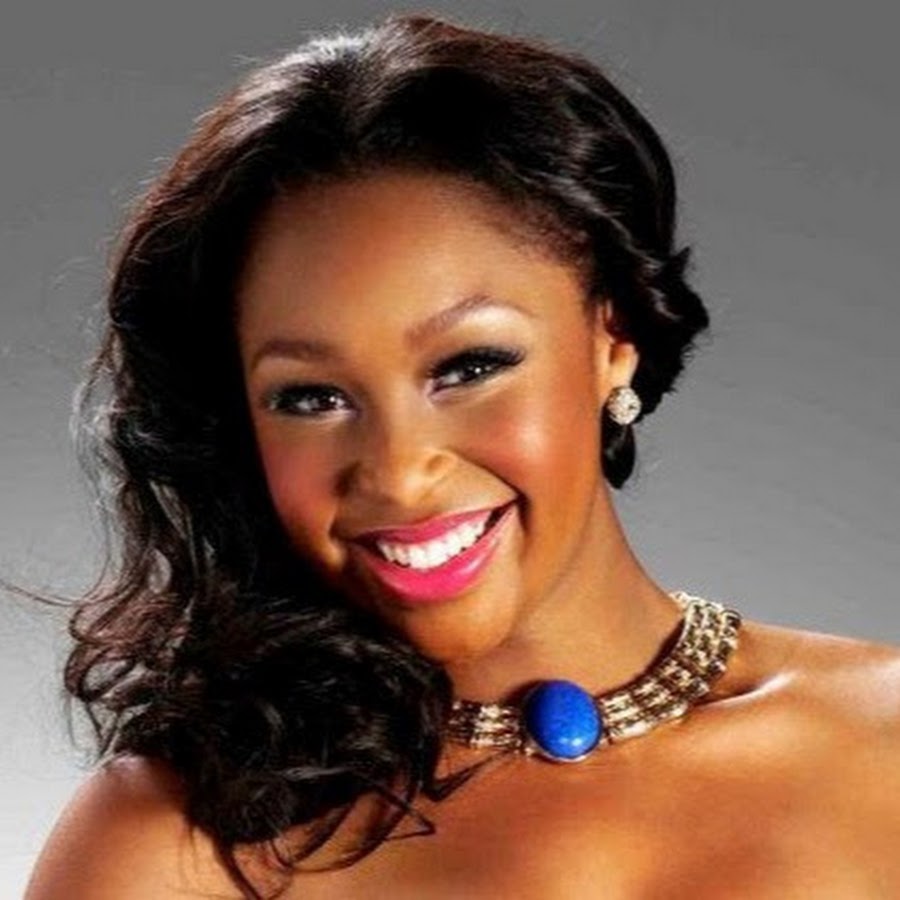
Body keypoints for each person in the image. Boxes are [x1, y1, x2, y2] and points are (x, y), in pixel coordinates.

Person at [26, 12, 900, 900]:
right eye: (311, 398)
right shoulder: (175, 847)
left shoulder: (884, 739)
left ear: (615, 335)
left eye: (470, 366)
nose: (400, 472)